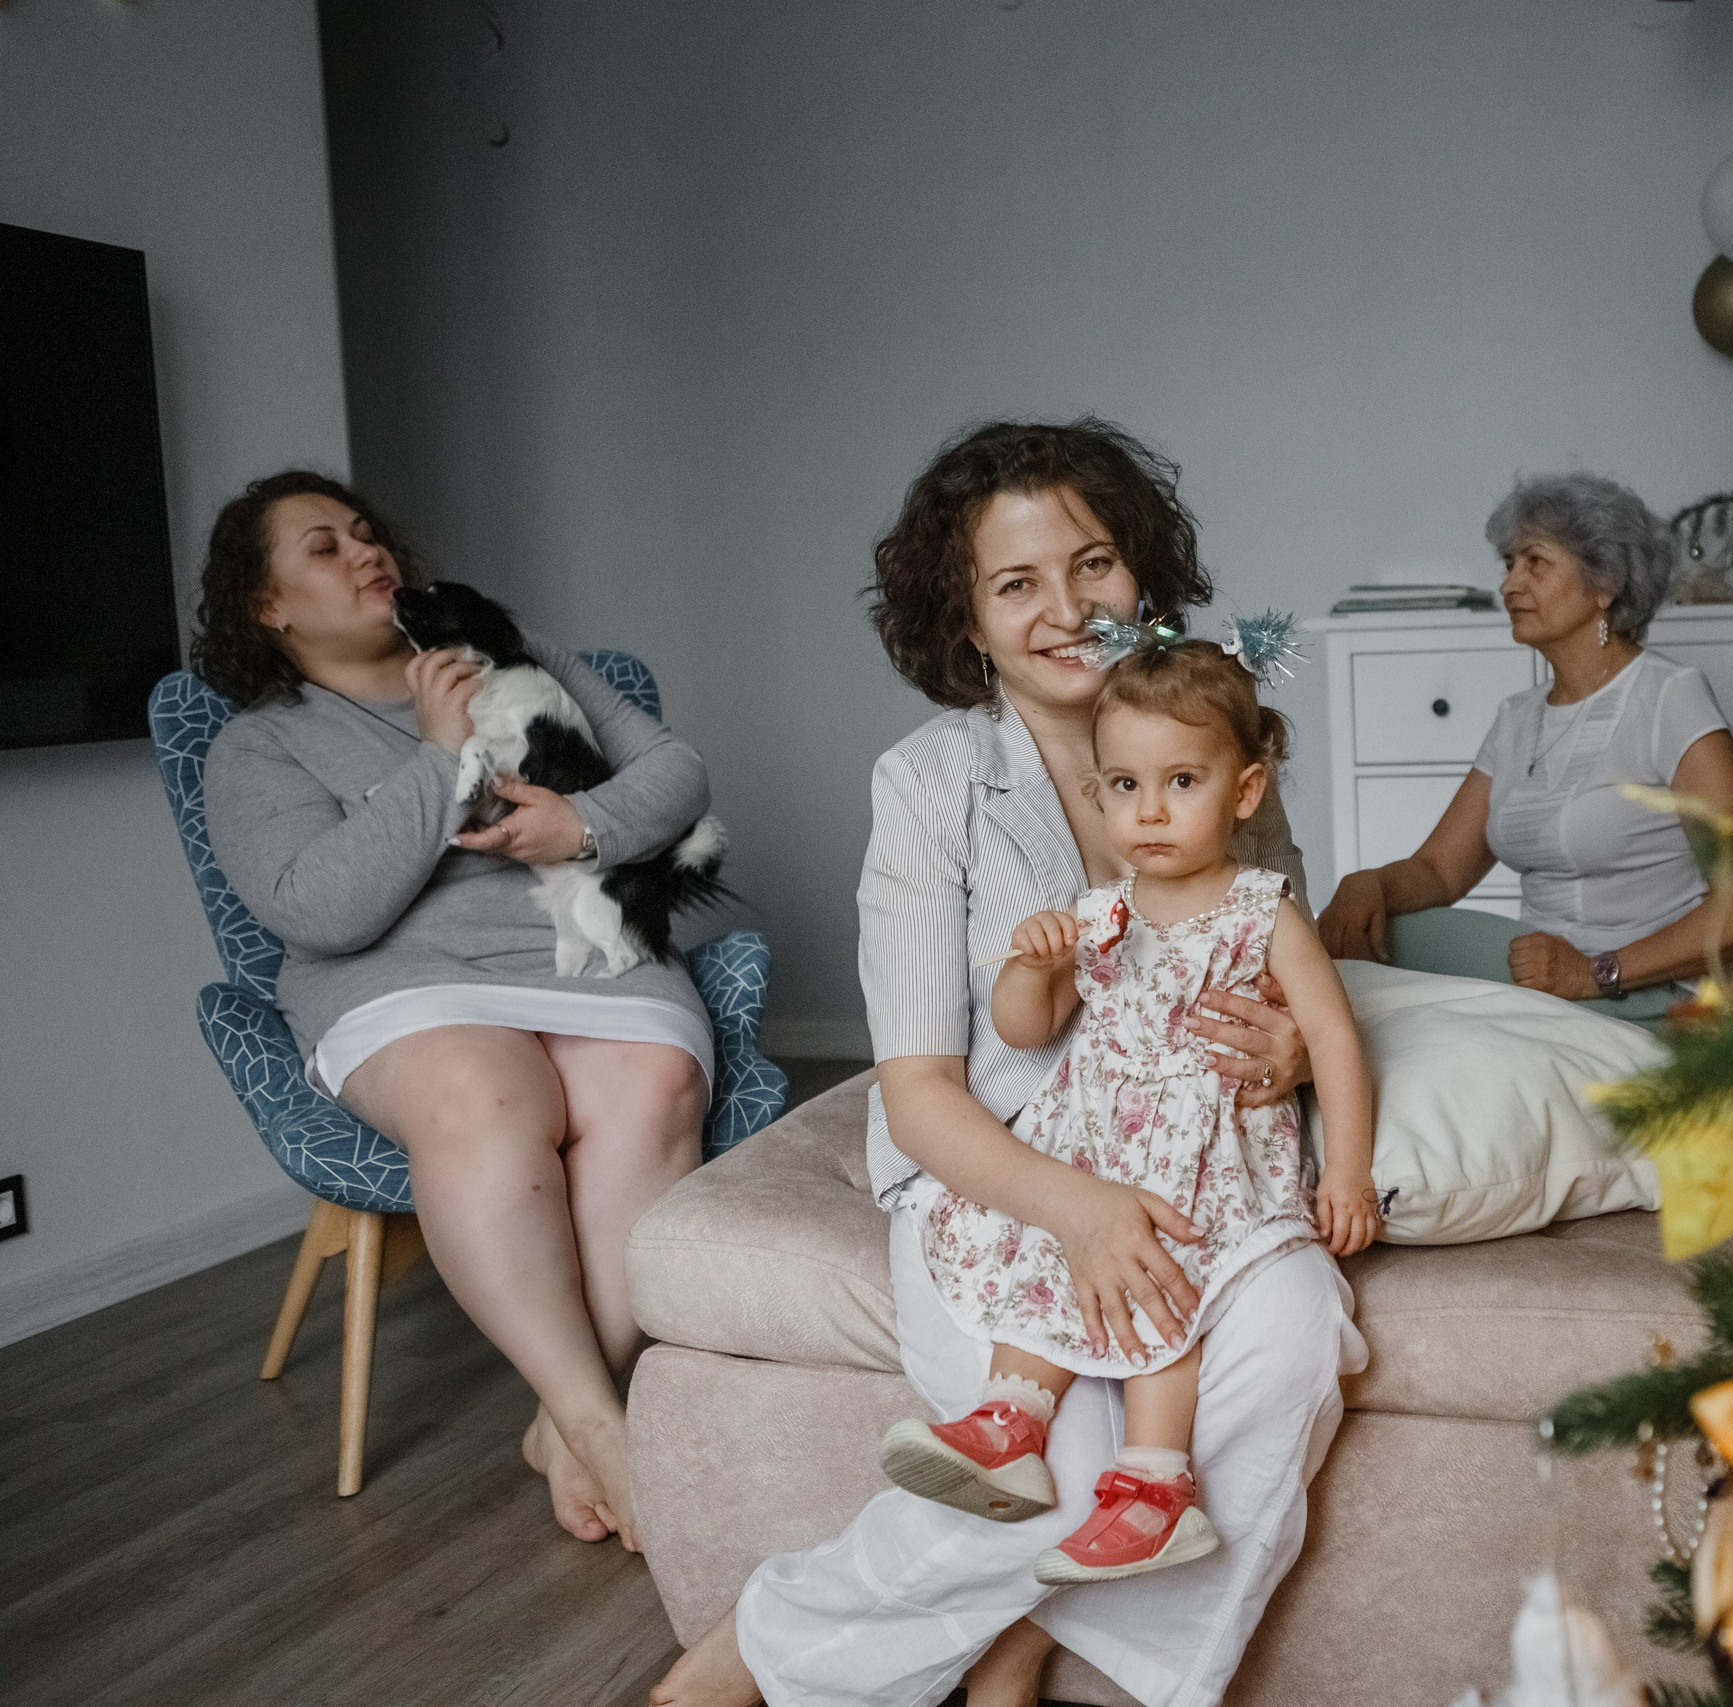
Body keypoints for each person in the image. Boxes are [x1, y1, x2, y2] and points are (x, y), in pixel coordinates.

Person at [655, 420, 1364, 1707]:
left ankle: (1028, 1655)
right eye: (1016, 583)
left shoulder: (1222, 730)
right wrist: (1079, 1211)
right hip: (1007, 1181)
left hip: (1205, 1176)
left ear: (1140, 575)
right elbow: (919, 1091)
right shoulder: (928, 786)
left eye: (1093, 564)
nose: (1067, 608)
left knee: (1297, 1336)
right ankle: (748, 1658)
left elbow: (1286, 972)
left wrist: (1287, 1059)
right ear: (967, 623)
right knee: (1065, 1461)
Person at [196, 470, 720, 1551]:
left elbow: (675, 772)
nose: (364, 552)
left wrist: (576, 827)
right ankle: (601, 1429)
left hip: (581, 954)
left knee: (654, 1078)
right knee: (487, 1092)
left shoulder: (514, 656)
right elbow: (319, 909)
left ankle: (560, 1420)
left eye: (363, 533)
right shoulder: (260, 746)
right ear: (270, 607)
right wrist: (438, 764)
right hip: (401, 980)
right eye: (322, 548)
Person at [883, 632, 1379, 1586]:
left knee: (1167, 1277)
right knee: (1041, 1246)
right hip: (1094, 1139)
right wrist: (1036, 964)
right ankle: (1010, 1422)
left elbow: (1335, 1038)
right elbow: (1028, 1029)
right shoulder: (1103, 908)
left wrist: (1348, 1170)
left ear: (1244, 792)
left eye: (1181, 782)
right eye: (1123, 786)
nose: (1149, 811)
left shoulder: (1259, 909)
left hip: (1205, 1153)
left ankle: (1154, 1484)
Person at [1317, 473, 1733, 1017]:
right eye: (1508, 564)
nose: (1509, 585)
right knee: (1357, 939)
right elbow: (1439, 871)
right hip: (1543, 981)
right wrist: (1369, 885)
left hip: (1648, 988)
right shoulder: (1517, 718)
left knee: (1357, 977)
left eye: (1535, 562)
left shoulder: (1671, 697)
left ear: (1606, 584)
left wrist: (1595, 972)